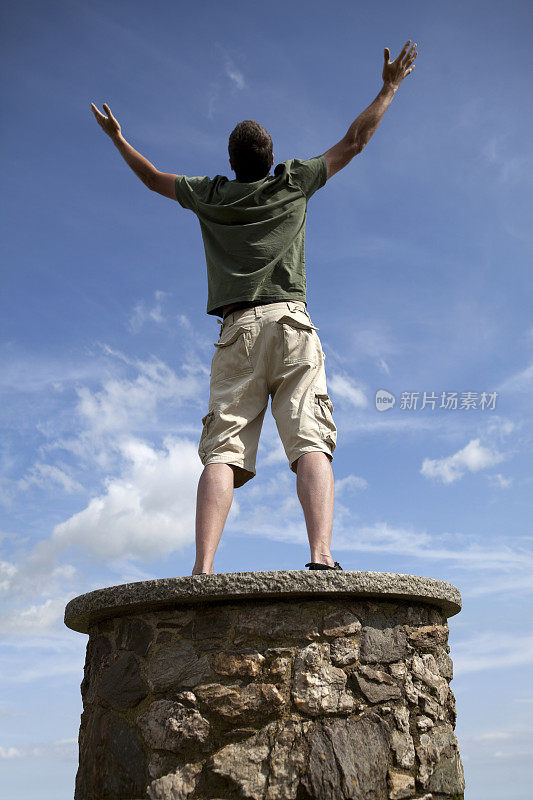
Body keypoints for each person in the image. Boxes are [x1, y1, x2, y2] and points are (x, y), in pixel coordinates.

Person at [91, 40, 418, 576]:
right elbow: (356, 141)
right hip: (291, 322)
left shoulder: (211, 195)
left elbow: (152, 178)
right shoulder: (293, 182)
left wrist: (118, 137)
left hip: (237, 329)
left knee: (223, 449)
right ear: (271, 159)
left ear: (231, 163)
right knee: (311, 439)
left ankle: (203, 567)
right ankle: (321, 556)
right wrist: (390, 85)